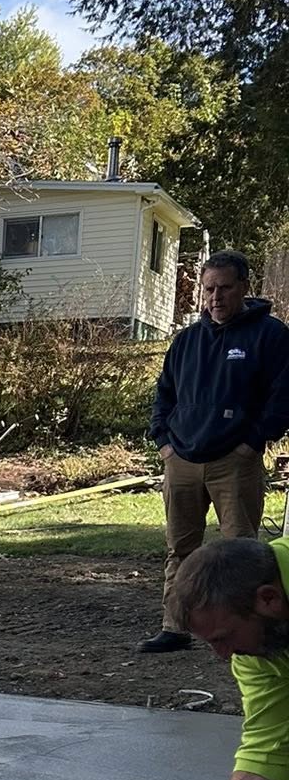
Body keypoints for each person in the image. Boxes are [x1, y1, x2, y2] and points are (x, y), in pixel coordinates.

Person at [106, 536, 289, 780]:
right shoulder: (255, 650)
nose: (223, 655)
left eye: (224, 637)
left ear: (268, 599)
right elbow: (271, 748)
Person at [140, 249, 289, 654]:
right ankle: (175, 626)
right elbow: (164, 395)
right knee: (180, 548)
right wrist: (164, 444)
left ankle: (248, 631)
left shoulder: (270, 335)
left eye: (224, 288)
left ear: (243, 287)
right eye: (208, 290)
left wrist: (252, 443)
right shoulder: (186, 341)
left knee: (241, 552)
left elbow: (283, 396)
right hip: (182, 459)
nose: (215, 297)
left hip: (234, 461)